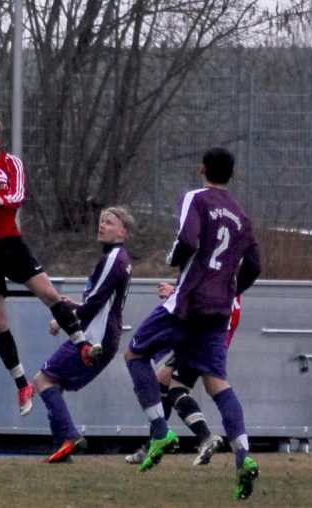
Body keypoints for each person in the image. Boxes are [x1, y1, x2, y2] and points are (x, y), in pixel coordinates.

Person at [123, 147, 261, 501]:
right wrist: (230, 290)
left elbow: (187, 240)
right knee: (218, 385)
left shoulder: (196, 198)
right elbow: (255, 265)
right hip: (219, 310)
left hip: (188, 303)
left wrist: (173, 260)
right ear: (231, 175)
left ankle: (160, 431)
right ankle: (243, 457)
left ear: (202, 168)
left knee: (135, 354)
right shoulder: (241, 215)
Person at [0, 113, 100, 416]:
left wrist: (4, 201)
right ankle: (21, 385)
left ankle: (81, 344)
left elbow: (19, 192)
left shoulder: (10, 163)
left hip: (11, 245)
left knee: (49, 294)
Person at [34, 206, 134, 463]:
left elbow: (94, 304)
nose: (102, 226)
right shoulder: (116, 258)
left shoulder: (114, 258)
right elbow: (96, 301)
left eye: (109, 223)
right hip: (101, 338)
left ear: (123, 231)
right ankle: (61, 448)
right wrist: (73, 308)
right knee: (54, 385)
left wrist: (67, 317)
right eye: (101, 221)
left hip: (94, 340)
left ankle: (68, 436)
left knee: (42, 381)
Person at [125, 290, 241, 466]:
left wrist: (173, 292)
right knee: (161, 381)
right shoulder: (230, 284)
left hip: (205, 342)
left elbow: (207, 300)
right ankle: (154, 442)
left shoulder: (222, 280)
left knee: (176, 389)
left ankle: (206, 437)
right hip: (208, 341)